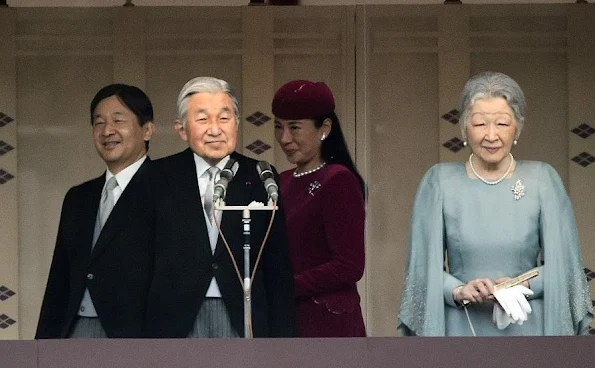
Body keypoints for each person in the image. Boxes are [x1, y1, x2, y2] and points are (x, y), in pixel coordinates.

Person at [398, 71, 593, 336]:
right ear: (464, 128)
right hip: (461, 328)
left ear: (518, 127)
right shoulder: (439, 183)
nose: (491, 135)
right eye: (480, 124)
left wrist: (522, 286)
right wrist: (457, 290)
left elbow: (566, 269)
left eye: (502, 124)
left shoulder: (542, 180)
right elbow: (421, 271)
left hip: (528, 327)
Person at [144, 76, 296, 338]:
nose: (215, 129)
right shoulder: (156, 177)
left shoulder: (261, 175)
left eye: (224, 118)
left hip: (243, 315)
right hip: (173, 319)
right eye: (202, 120)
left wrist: (285, 339)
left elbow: (277, 267)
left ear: (237, 124)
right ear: (181, 129)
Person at [36, 84, 155, 338]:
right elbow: (60, 280)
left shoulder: (167, 191)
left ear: (147, 130)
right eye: (98, 123)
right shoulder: (79, 198)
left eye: (118, 120)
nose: (107, 131)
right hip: (77, 331)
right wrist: (44, 344)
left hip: (139, 337)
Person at [272, 80, 366, 337]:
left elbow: (350, 265)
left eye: (295, 128)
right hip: (287, 319)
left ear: (324, 128)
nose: (284, 138)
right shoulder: (281, 180)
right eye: (278, 127)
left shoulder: (338, 180)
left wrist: (285, 286)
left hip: (327, 323)